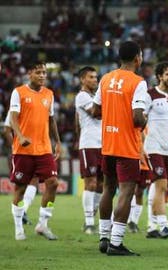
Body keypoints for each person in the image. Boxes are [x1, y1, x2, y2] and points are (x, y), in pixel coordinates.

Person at [92, 41, 148, 256]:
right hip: (126, 146)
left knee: (108, 188)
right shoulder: (138, 82)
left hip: (108, 144)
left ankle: (104, 237)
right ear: (137, 58)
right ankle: (116, 243)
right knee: (127, 191)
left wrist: (113, 114)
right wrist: (144, 121)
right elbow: (136, 117)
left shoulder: (106, 78)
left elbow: (95, 110)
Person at [9, 61, 62, 241]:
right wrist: (20, 136)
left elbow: (51, 119)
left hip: (44, 148)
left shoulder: (49, 94)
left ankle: (42, 224)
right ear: (29, 73)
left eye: (44, 73)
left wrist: (58, 142)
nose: (42, 76)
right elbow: (13, 118)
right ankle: (18, 227)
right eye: (38, 72)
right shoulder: (19, 92)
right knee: (20, 189)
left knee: (53, 182)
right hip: (23, 150)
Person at [143, 61, 168, 238]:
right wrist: (140, 145)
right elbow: (139, 120)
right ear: (159, 77)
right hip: (153, 146)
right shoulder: (150, 95)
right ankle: (164, 225)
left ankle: (151, 226)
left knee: (158, 186)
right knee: (161, 185)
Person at [75, 66, 103, 235]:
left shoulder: (95, 97)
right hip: (89, 144)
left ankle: (91, 216)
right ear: (83, 79)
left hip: (103, 145)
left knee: (102, 183)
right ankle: (89, 222)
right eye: (91, 77)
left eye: (96, 76)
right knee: (90, 182)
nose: (95, 79)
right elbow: (95, 113)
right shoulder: (82, 96)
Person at [3, 110, 37, 226]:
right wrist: (14, 146)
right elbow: (6, 129)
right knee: (22, 184)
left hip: (35, 150)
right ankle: (22, 212)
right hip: (21, 152)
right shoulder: (14, 109)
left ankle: (23, 212)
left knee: (34, 180)